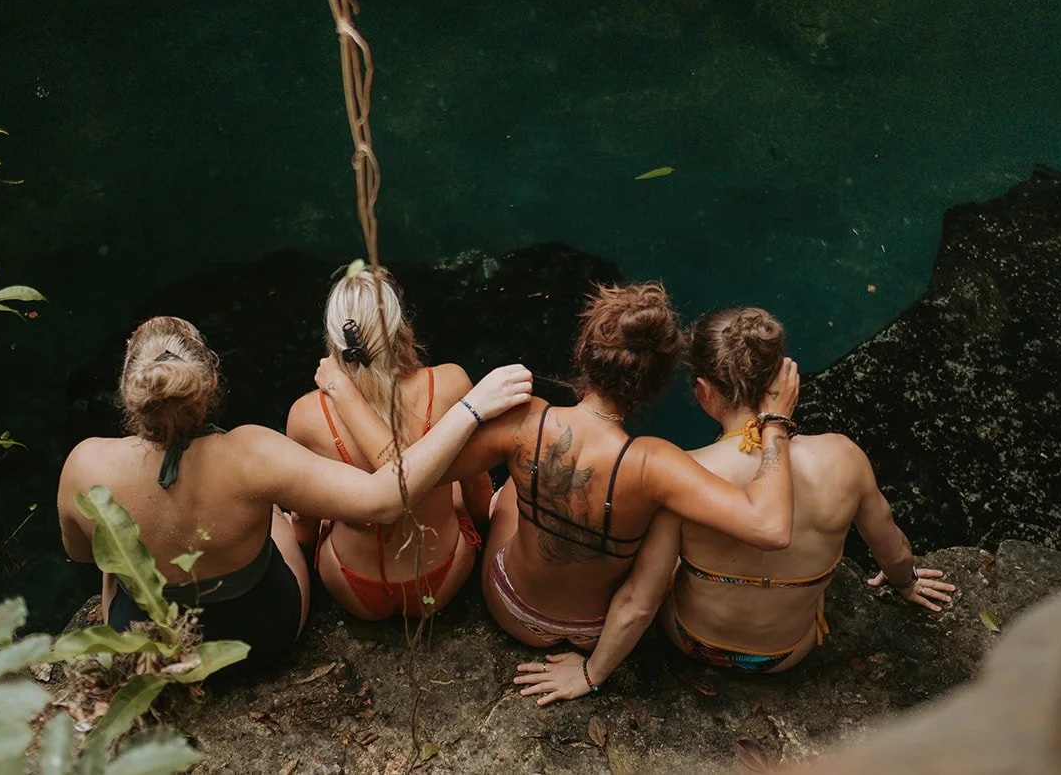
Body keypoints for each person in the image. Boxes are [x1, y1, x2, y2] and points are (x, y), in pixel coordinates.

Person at [321, 283, 799, 665]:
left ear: (585, 354)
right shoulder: (659, 462)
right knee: (657, 519)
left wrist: (352, 394)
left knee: (510, 492)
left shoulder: (529, 421)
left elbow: (411, 477)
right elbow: (771, 527)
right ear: (656, 384)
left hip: (511, 608)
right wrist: (774, 422)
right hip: (595, 631)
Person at [511, 306, 954, 704]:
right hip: (784, 655)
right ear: (785, 379)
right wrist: (906, 582)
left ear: (703, 390)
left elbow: (639, 602)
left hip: (692, 640)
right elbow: (890, 547)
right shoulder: (845, 458)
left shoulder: (686, 474)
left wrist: (591, 674)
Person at [57, 315, 532, 666]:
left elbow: (83, 554)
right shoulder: (253, 452)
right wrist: (469, 409)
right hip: (257, 639)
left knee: (114, 556)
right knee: (280, 520)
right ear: (210, 384)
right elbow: (385, 499)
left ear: (129, 391)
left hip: (147, 645)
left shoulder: (85, 463)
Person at [285, 268, 493, 619]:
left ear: (334, 340)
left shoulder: (305, 415)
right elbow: (477, 489)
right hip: (441, 578)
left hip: (352, 585)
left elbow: (304, 525)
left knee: (326, 496)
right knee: (454, 478)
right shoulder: (449, 383)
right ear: (399, 327)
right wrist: (482, 528)